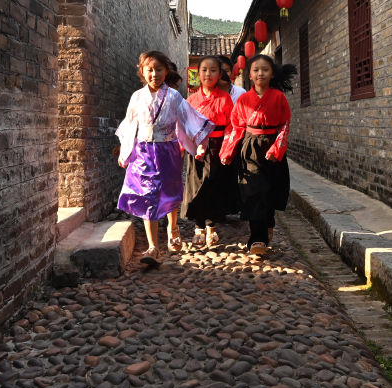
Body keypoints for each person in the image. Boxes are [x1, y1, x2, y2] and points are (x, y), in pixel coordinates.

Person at [116, 51, 213, 266]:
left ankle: (173, 227)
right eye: (149, 70)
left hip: (167, 150)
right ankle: (153, 247)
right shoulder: (137, 97)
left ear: (166, 71)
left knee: (169, 191)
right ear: (142, 72)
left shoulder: (174, 96)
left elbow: (188, 120)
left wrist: (199, 144)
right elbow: (129, 125)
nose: (154, 74)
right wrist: (125, 152)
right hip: (143, 152)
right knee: (147, 196)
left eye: (159, 69)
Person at [220, 54, 297, 257]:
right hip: (250, 148)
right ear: (250, 75)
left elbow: (284, 125)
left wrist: (277, 149)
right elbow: (236, 126)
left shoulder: (279, 98)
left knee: (269, 191)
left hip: (271, 147)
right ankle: (257, 238)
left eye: (265, 69)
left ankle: (268, 222)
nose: (260, 73)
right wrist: (228, 150)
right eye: (256, 70)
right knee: (254, 192)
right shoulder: (244, 99)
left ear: (272, 74)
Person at [182, 55, 238, 247]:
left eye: (213, 70)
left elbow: (231, 125)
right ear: (198, 74)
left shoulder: (225, 98)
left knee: (214, 186)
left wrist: (228, 148)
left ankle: (211, 226)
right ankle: (198, 227)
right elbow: (185, 127)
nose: (208, 74)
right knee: (197, 186)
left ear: (220, 74)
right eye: (204, 70)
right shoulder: (191, 100)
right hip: (197, 149)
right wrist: (187, 146)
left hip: (217, 147)